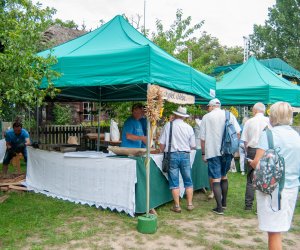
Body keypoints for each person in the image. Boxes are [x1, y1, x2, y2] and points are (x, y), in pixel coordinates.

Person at [249, 102, 300, 250]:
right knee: (280, 228)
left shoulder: (268, 134)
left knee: (274, 232)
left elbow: (258, 162)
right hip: (292, 188)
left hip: (273, 190)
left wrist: (252, 162)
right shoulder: (296, 136)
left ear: (273, 116)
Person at [200, 98, 241, 215]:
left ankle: (219, 208)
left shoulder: (207, 117)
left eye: (209, 106)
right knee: (224, 176)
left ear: (212, 106)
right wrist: (234, 148)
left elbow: (202, 139)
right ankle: (224, 203)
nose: (208, 108)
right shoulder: (229, 114)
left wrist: (203, 153)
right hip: (227, 151)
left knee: (216, 178)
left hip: (212, 151)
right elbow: (238, 133)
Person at [159, 106, 196, 213]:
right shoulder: (189, 127)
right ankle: (189, 204)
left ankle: (177, 206)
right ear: (184, 117)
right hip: (185, 155)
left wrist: (161, 150)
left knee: (174, 182)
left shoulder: (168, 125)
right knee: (188, 180)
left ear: (175, 115)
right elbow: (193, 145)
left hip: (172, 155)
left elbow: (162, 143)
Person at [241, 102, 270, 211]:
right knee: (265, 178)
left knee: (250, 179)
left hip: (252, 150)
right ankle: (261, 207)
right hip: (266, 151)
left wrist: (247, 151)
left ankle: (248, 205)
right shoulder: (269, 121)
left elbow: (244, 140)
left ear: (254, 110)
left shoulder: (249, 121)